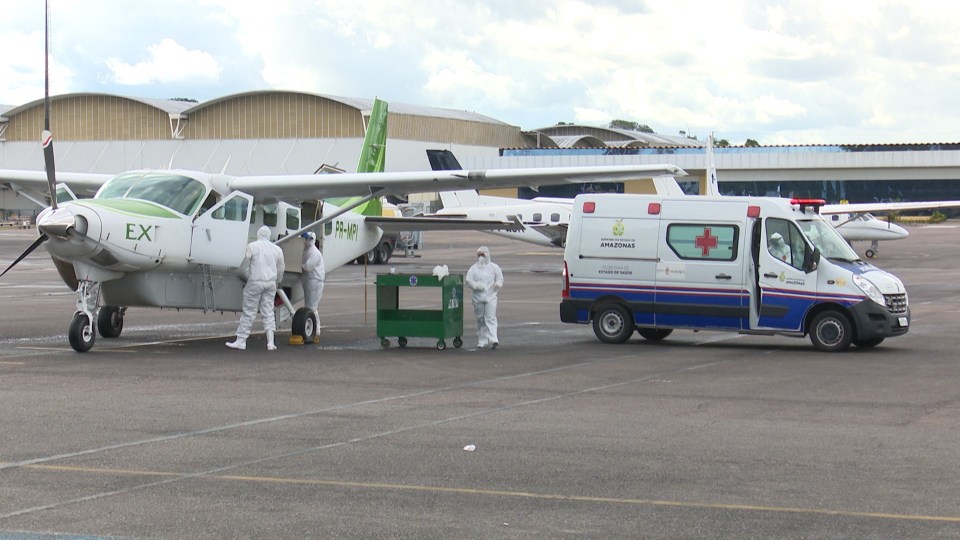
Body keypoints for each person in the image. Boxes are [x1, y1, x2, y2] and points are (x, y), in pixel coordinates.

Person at [226, 226, 285, 351]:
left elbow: (244, 266)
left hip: (255, 282)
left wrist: (248, 277)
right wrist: (277, 281)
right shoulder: (277, 249)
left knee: (249, 312)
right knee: (268, 312)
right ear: (269, 236)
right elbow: (281, 269)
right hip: (270, 284)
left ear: (258, 235)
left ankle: (241, 340)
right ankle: (270, 342)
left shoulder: (252, 246)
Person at [465, 245, 504, 349]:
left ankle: (493, 338)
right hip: (477, 297)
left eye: (482, 254)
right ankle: (482, 340)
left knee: (490, 317)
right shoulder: (473, 268)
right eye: (479, 255)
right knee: (480, 319)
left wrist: (498, 284)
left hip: (491, 296)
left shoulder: (494, 267)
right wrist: (476, 286)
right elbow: (468, 280)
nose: (481, 257)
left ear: (487, 255)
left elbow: (500, 278)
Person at [300, 231, 325, 314]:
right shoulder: (306, 250)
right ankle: (314, 325)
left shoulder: (314, 252)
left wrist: (298, 266)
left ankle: (315, 326)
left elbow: (308, 267)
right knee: (309, 306)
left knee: (311, 307)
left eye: (307, 239)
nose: (305, 240)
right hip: (309, 281)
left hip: (314, 282)